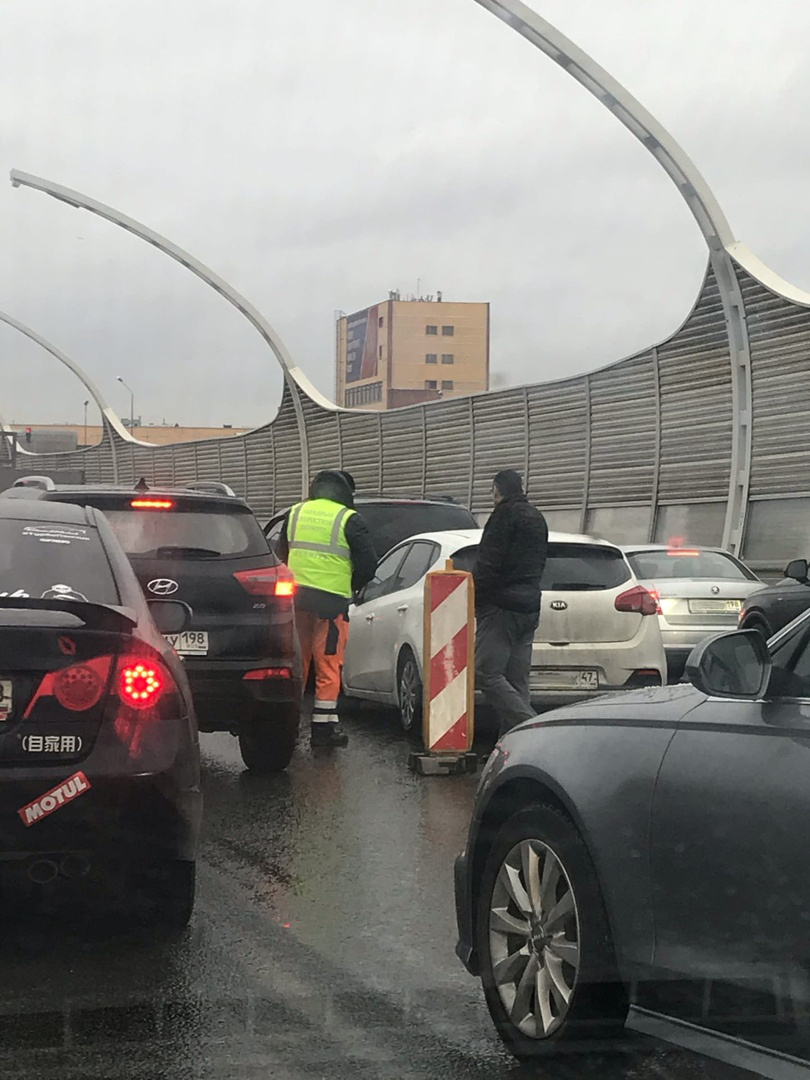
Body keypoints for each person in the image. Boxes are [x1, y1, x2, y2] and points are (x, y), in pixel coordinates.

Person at [278, 470, 377, 748]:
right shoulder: (349, 519)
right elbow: (369, 564)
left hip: (295, 599)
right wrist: (351, 585)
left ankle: (287, 723)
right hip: (331, 603)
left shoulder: (295, 513)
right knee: (328, 662)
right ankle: (323, 729)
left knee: (298, 661)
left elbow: (281, 554)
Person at [473, 469, 548, 736]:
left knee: (486, 673)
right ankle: (516, 748)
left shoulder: (503, 516)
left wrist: (477, 600)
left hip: (501, 607)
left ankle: (535, 729)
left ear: (497, 489)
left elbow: (488, 564)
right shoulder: (537, 518)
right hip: (529, 606)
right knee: (517, 681)